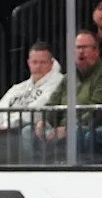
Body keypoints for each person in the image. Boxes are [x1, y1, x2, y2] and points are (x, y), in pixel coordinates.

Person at [28, 31, 102, 160]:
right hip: (61, 128)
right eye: (77, 48)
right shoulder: (68, 78)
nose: (80, 52)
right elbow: (52, 103)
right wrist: (42, 120)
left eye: (84, 47)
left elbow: (94, 110)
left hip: (87, 125)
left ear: (96, 51)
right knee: (28, 131)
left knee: (77, 132)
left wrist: (67, 128)